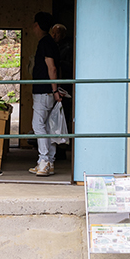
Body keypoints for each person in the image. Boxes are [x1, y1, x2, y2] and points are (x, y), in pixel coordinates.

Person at [28, 12, 63, 176]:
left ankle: (43, 161)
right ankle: (49, 162)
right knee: (49, 127)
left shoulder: (45, 42)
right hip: (48, 91)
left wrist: (54, 90)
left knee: (38, 126)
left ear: (36, 25)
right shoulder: (49, 42)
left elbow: (52, 68)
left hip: (44, 91)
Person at [50, 23, 74, 161]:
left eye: (57, 33)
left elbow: (69, 67)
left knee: (64, 115)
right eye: (53, 33)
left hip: (65, 87)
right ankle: (57, 148)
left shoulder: (68, 48)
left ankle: (62, 148)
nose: (54, 36)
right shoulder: (54, 47)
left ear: (63, 35)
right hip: (57, 87)